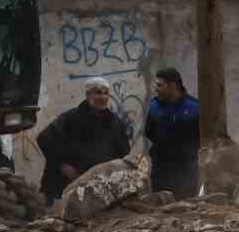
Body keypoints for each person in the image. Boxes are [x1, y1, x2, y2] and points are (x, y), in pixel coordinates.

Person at [37, 77, 133, 201]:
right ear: (88, 95)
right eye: (98, 92)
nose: (103, 97)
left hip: (97, 189)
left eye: (106, 93)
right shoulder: (71, 118)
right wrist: (63, 165)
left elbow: (123, 151)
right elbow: (44, 139)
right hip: (65, 186)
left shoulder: (113, 121)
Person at [145, 67, 201, 198]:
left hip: (186, 169)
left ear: (173, 85)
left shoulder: (194, 107)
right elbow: (149, 132)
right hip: (161, 169)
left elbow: (201, 138)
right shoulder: (154, 106)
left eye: (160, 85)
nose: (156, 89)